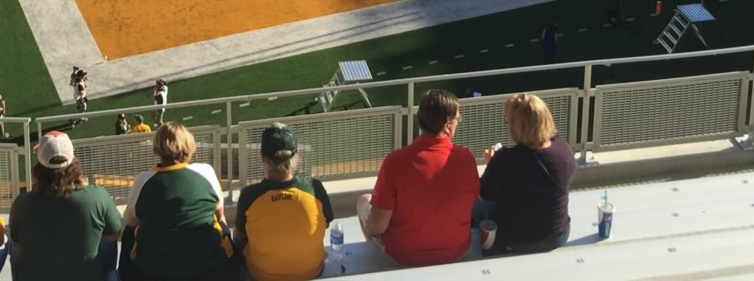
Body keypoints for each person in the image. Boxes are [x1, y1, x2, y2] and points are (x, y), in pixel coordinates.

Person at [359, 89, 479, 265]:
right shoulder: (466, 158)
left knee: (363, 200)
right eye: (457, 120)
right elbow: (471, 201)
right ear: (447, 126)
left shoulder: (395, 162)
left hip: (403, 256)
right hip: (457, 252)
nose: (458, 123)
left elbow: (377, 225)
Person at [122, 122, 233, 280]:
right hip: (209, 267)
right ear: (188, 145)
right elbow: (219, 213)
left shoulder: (143, 180)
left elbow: (131, 222)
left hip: (154, 271)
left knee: (129, 232)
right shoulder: (206, 171)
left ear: (158, 147)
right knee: (221, 223)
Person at [9, 131, 122, 281]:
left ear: (40, 166)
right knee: (105, 238)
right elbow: (114, 233)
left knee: (14, 247)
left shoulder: (22, 203)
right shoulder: (97, 196)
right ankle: (106, 274)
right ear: (73, 161)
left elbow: (17, 241)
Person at [476, 94, 576, 256]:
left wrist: (491, 164)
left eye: (509, 121)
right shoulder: (563, 150)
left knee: (476, 208)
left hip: (515, 240)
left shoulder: (505, 159)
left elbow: (485, 193)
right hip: (558, 235)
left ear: (518, 127)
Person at [233, 123, 331, 281]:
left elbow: (240, 236)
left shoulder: (249, 195)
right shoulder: (315, 188)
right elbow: (325, 223)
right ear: (297, 154)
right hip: (312, 273)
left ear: (263, 157)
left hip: (260, 276)